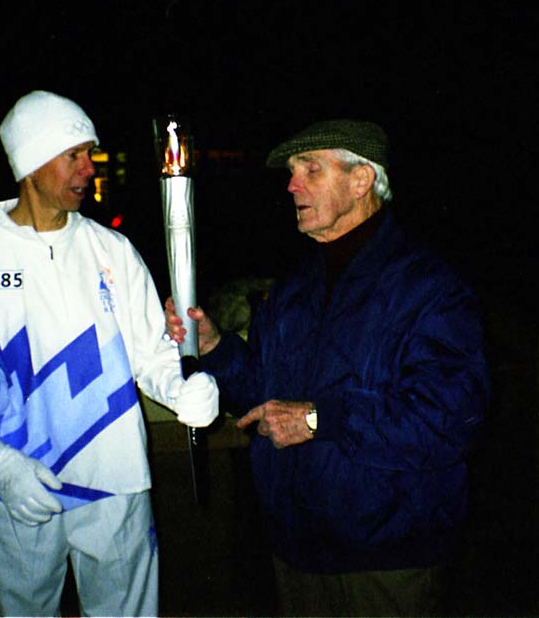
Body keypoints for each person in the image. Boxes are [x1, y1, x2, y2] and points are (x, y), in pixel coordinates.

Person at [166, 118, 489, 617]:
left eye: (310, 169)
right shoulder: (297, 285)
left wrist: (319, 420)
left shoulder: (428, 287)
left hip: (386, 557)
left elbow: (449, 418)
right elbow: (263, 394)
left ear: (361, 181)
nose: (292, 185)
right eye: (292, 172)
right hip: (297, 551)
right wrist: (214, 348)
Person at [0, 90, 220, 617]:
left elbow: (151, 352)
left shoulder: (112, 251)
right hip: (18, 484)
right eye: (74, 154)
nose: (89, 168)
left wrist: (182, 389)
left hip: (115, 480)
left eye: (91, 154)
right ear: (30, 163)